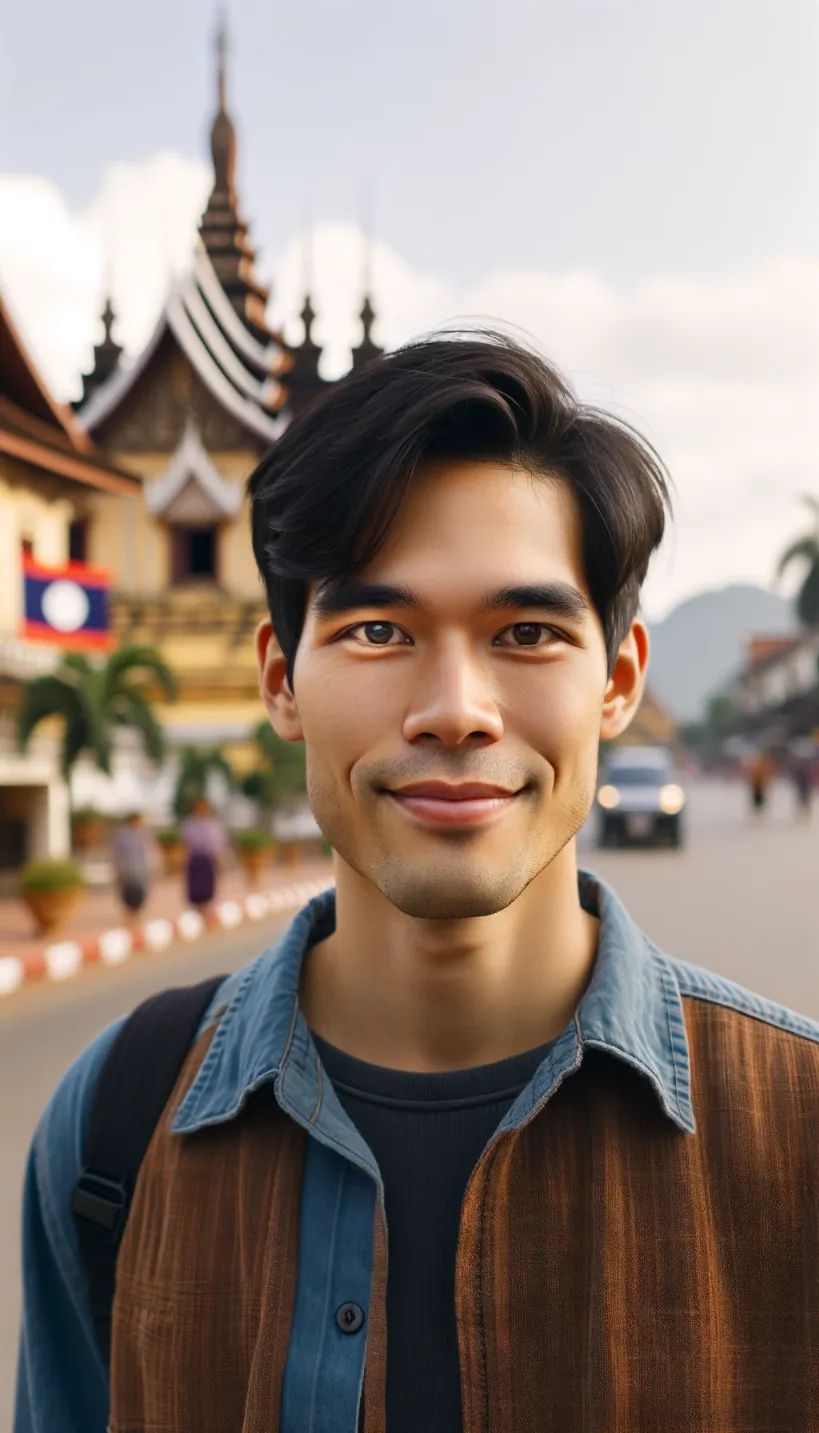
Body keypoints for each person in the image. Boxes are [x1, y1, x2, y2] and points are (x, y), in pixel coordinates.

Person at [15, 335, 819, 1433]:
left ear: (619, 683)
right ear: (280, 679)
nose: (455, 707)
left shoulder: (798, 1134)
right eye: (377, 629)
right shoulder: (111, 1130)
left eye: (527, 632)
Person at [180, 795, 226, 912]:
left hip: (208, 859)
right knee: (195, 890)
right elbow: (185, 844)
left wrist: (219, 861)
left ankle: (206, 910)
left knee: (207, 889)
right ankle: (197, 911)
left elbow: (218, 845)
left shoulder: (213, 825)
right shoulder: (189, 825)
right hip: (195, 859)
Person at [110, 811, 150, 927]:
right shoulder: (122, 836)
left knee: (140, 893)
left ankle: (136, 916)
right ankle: (129, 917)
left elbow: (146, 853)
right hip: (127, 869)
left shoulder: (142, 835)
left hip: (140, 870)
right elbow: (117, 853)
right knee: (127, 893)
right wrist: (118, 868)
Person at [747, 747, 773, 817]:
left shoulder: (763, 764)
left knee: (760, 799)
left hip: (760, 784)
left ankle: (759, 812)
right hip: (756, 784)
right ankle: (757, 812)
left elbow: (767, 774)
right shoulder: (757, 764)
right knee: (757, 799)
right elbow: (752, 774)